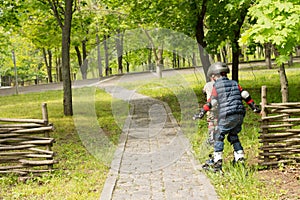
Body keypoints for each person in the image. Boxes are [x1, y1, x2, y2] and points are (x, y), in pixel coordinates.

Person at [194, 62, 261, 172]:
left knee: (218, 135)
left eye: (212, 77)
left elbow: (213, 102)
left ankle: (217, 163)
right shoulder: (234, 83)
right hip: (239, 115)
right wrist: (254, 107)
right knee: (233, 135)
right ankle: (240, 159)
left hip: (227, 115)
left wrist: (201, 113)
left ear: (215, 76)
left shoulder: (217, 86)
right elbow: (245, 94)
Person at [202, 77, 217, 146]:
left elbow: (203, 91)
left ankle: (211, 138)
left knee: (211, 121)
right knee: (217, 121)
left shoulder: (207, 84)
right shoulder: (219, 84)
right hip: (219, 105)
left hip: (210, 105)